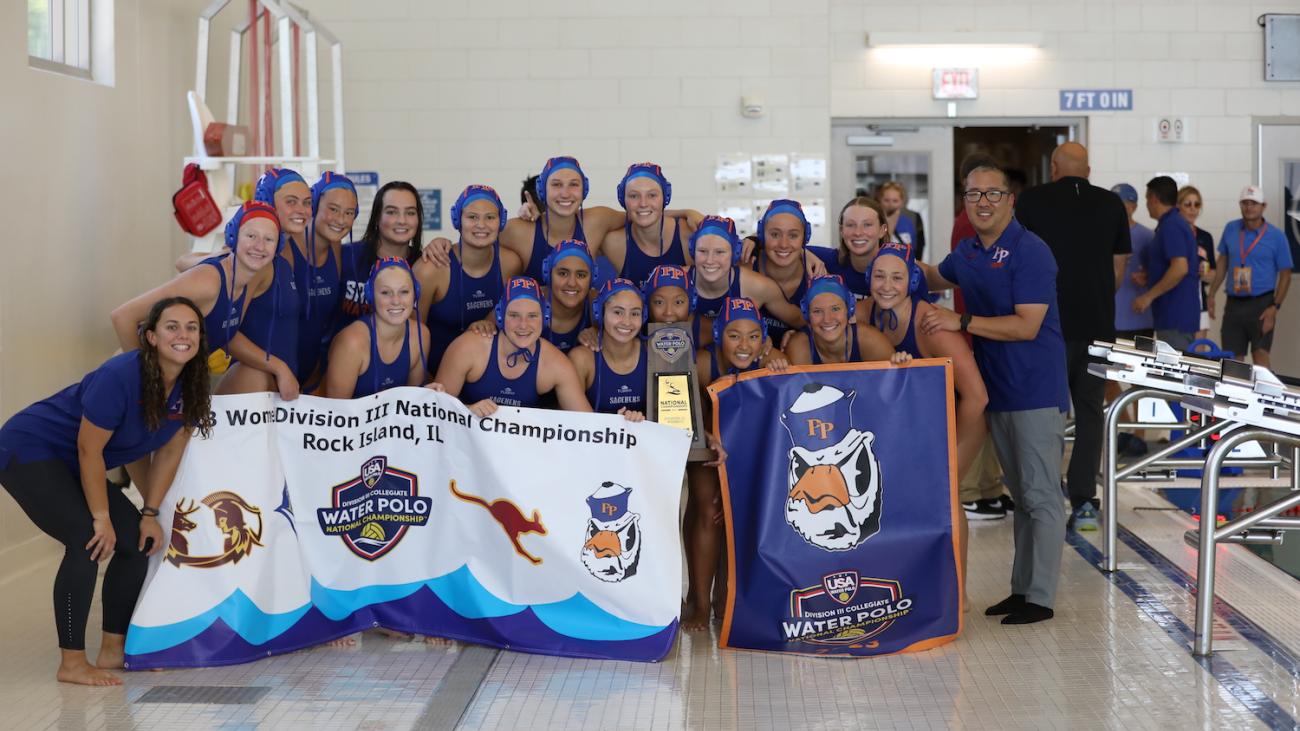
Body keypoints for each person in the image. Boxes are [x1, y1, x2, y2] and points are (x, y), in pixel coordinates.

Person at [0, 297, 212, 685]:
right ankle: (72, 662)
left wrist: (149, 514)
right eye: (171, 326)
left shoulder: (192, 383)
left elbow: (164, 451)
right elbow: (89, 448)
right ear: (150, 336)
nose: (182, 335)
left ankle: (113, 650)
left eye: (191, 327)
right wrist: (101, 518)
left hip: (78, 460)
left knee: (136, 541)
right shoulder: (122, 374)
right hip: (30, 450)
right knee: (88, 540)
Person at [922, 160, 1069, 625]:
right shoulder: (967, 252)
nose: (982, 202)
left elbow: (1027, 326)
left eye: (992, 194)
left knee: (1041, 495)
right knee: (1020, 496)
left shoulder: (1031, 251)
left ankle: (1040, 597)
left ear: (1010, 200)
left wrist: (960, 321)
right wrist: (875, 255)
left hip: (1035, 388)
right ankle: (1022, 589)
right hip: (995, 389)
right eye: (973, 194)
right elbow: (929, 278)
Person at [1014, 142, 1131, 532]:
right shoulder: (1113, 205)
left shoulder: (1031, 201)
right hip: (1099, 328)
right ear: (1090, 170)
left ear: (1054, 168)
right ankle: (1084, 501)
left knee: (1047, 413)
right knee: (1090, 412)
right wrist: (1095, 297)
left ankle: (1042, 497)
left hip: (1048, 326)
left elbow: (1021, 260)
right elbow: (1119, 267)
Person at [685, 296, 788, 630]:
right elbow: (686, 416)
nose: (744, 345)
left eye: (752, 336)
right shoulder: (701, 363)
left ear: (763, 341)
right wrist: (709, 436)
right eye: (734, 335)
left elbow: (780, 428)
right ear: (718, 335)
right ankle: (699, 600)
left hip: (748, 452)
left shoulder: (771, 363)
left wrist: (777, 371)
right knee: (708, 508)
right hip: (706, 447)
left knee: (738, 511)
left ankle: (726, 597)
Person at [112, 201, 279, 356]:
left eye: (269, 239)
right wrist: (140, 379)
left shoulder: (246, 281)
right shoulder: (208, 281)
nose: (260, 246)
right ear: (233, 237)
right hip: (132, 377)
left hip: (173, 379)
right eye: (251, 236)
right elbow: (122, 316)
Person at [211, 168, 312, 400]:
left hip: (276, 388)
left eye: (307, 202)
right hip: (253, 383)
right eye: (291, 202)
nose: (302, 210)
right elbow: (225, 329)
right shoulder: (258, 262)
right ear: (267, 202)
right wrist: (278, 367)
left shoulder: (281, 256)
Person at [435, 277, 592, 416]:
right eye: (514, 315)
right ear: (500, 316)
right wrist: (467, 411)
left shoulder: (555, 363)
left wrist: (617, 420)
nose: (523, 325)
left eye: (532, 316)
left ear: (544, 318)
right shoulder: (468, 348)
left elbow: (590, 427)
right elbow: (434, 410)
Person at [415, 185, 522, 376]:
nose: (481, 225)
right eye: (472, 217)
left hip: (486, 377)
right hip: (435, 378)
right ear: (458, 220)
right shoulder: (431, 269)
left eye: (490, 217)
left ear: (501, 221)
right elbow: (411, 338)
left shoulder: (510, 264)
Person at [1208, 185, 1294, 368]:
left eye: (1254, 203)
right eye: (1245, 203)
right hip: (1234, 305)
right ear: (1240, 205)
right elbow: (1222, 262)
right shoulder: (1231, 229)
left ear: (1263, 206)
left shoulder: (1276, 236)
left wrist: (1275, 307)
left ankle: (1265, 397)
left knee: (1260, 357)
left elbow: (1286, 275)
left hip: (1262, 305)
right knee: (1231, 361)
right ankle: (1234, 397)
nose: (1249, 207)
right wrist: (1211, 294)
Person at [324, 258, 434, 399]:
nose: (396, 301)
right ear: (371, 295)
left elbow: (410, 402)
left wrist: (431, 396)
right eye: (385, 293)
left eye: (404, 292)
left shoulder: (420, 334)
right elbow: (337, 413)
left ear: (415, 293)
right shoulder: (352, 343)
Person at [688, 215, 803, 348]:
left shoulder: (758, 287)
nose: (710, 260)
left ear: (735, 253)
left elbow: (801, 321)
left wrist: (797, 335)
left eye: (720, 252)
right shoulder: (676, 282)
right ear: (692, 251)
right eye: (702, 251)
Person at [1109, 182, 1156, 458]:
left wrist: (1147, 278)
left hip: (1139, 318)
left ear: (1134, 205)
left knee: (1140, 380)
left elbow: (1161, 271)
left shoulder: (1146, 237)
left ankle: (1139, 434)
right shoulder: (1103, 234)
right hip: (1110, 318)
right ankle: (1125, 425)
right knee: (1106, 378)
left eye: (1122, 204)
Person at [339, 181, 425, 330]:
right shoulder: (346, 256)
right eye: (391, 212)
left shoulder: (424, 265)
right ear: (377, 218)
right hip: (348, 350)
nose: (402, 220)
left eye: (410, 212)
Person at [1133, 176, 1199, 351]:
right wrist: (1149, 276)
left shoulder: (1172, 226)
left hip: (1175, 317)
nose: (1147, 205)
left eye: (1147, 199)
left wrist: (1148, 296)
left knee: (1174, 374)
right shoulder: (1169, 225)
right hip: (1170, 315)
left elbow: (1179, 268)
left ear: (1154, 199)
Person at [600, 163, 692, 287]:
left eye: (652, 195)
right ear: (623, 200)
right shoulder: (613, 243)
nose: (643, 203)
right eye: (634, 196)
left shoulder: (688, 237)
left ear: (665, 198)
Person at [569, 278, 648, 419]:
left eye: (635, 313)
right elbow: (568, 421)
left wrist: (642, 421)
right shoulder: (582, 359)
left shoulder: (653, 354)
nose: (627, 322)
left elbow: (671, 417)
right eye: (618, 312)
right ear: (600, 313)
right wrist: (610, 427)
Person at [783, 275, 897, 366]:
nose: (827, 319)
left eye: (835, 309)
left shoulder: (871, 341)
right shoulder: (800, 348)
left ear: (849, 311)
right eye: (817, 311)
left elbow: (895, 386)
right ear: (807, 315)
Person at [829, 197, 890, 304]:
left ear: (882, 230)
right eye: (850, 225)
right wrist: (805, 255)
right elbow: (793, 249)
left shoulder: (903, 271)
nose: (858, 232)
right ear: (841, 230)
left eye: (867, 225)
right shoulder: (828, 260)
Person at [1176, 186, 1218, 338]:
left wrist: (1207, 275)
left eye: (1197, 204)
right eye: (1188, 204)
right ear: (1177, 206)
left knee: (1197, 353)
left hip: (1199, 301)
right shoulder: (1169, 233)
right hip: (1175, 302)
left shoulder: (1205, 237)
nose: (1193, 209)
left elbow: (1213, 271)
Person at [540, 240, 596, 353]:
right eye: (563, 273)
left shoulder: (598, 303)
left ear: (592, 279)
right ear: (548, 274)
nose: (572, 283)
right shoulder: (528, 300)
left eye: (581, 275)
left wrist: (601, 332)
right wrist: (492, 328)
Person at [878, 181, 918, 248]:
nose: (890, 205)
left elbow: (913, 248)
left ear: (902, 202)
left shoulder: (907, 222)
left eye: (895, 201)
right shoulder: (876, 221)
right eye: (886, 200)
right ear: (880, 200)